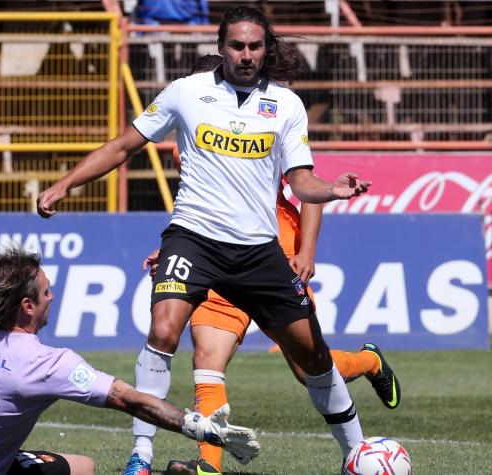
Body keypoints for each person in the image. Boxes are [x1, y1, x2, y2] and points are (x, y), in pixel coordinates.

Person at [38, 6, 372, 474]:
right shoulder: (186, 92)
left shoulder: (286, 105)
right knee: (163, 331)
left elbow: (301, 182)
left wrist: (331, 190)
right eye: (237, 45)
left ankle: (357, 455)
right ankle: (141, 455)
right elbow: (121, 146)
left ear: (266, 49)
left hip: (258, 251)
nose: (246, 54)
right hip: (193, 239)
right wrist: (65, 185)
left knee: (313, 358)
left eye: (255, 46)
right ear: (221, 46)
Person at [136, 55, 400, 475]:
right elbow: (199, 209)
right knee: (207, 358)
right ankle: (209, 466)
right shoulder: (189, 134)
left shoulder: (265, 122)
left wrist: (306, 252)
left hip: (268, 256)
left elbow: (306, 191)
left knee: (308, 367)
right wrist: (170, 251)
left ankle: (368, 363)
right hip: (212, 261)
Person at [0, 246, 260, 475]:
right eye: (46, 291)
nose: (52, 296)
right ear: (27, 306)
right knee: (84, 467)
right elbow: (129, 399)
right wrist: (201, 427)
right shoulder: (46, 364)